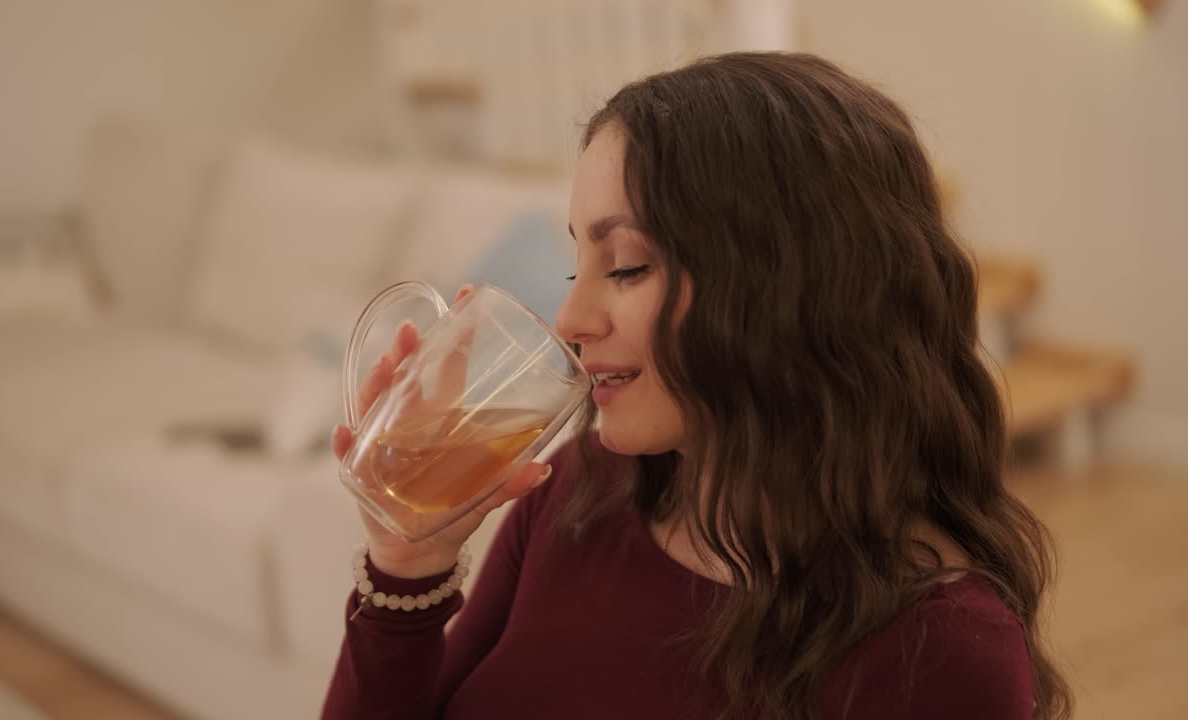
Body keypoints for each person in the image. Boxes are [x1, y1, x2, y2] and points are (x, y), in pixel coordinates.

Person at [322, 52, 1072, 720]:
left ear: (790, 290)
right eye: (578, 265)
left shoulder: (940, 654)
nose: (571, 319)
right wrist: (406, 568)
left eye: (626, 266)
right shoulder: (576, 492)